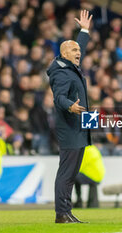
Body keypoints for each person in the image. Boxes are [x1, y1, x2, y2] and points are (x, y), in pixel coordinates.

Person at [47, 10, 92, 224]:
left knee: (71, 174)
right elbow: (58, 98)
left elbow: (78, 47)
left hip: (79, 128)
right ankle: (61, 214)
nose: (79, 52)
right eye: (74, 50)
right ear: (64, 54)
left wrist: (84, 30)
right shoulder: (61, 72)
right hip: (70, 128)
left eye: (78, 50)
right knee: (66, 173)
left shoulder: (69, 65)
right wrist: (70, 107)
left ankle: (67, 211)